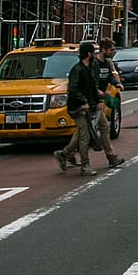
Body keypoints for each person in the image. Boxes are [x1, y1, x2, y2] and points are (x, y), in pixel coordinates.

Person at [55, 42, 100, 176]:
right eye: (93, 53)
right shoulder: (78, 69)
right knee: (84, 135)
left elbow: (91, 88)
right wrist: (84, 102)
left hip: (84, 106)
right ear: (88, 54)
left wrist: (95, 102)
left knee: (81, 133)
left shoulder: (88, 68)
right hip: (78, 108)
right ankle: (85, 164)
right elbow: (73, 89)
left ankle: (64, 153)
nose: (95, 55)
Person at [92, 38, 124, 169]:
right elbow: (91, 81)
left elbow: (110, 76)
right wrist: (97, 92)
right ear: (103, 49)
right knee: (90, 130)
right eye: (111, 50)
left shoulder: (106, 63)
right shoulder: (94, 64)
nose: (113, 52)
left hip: (100, 101)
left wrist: (117, 83)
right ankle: (111, 158)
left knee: (90, 130)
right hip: (93, 101)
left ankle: (65, 154)